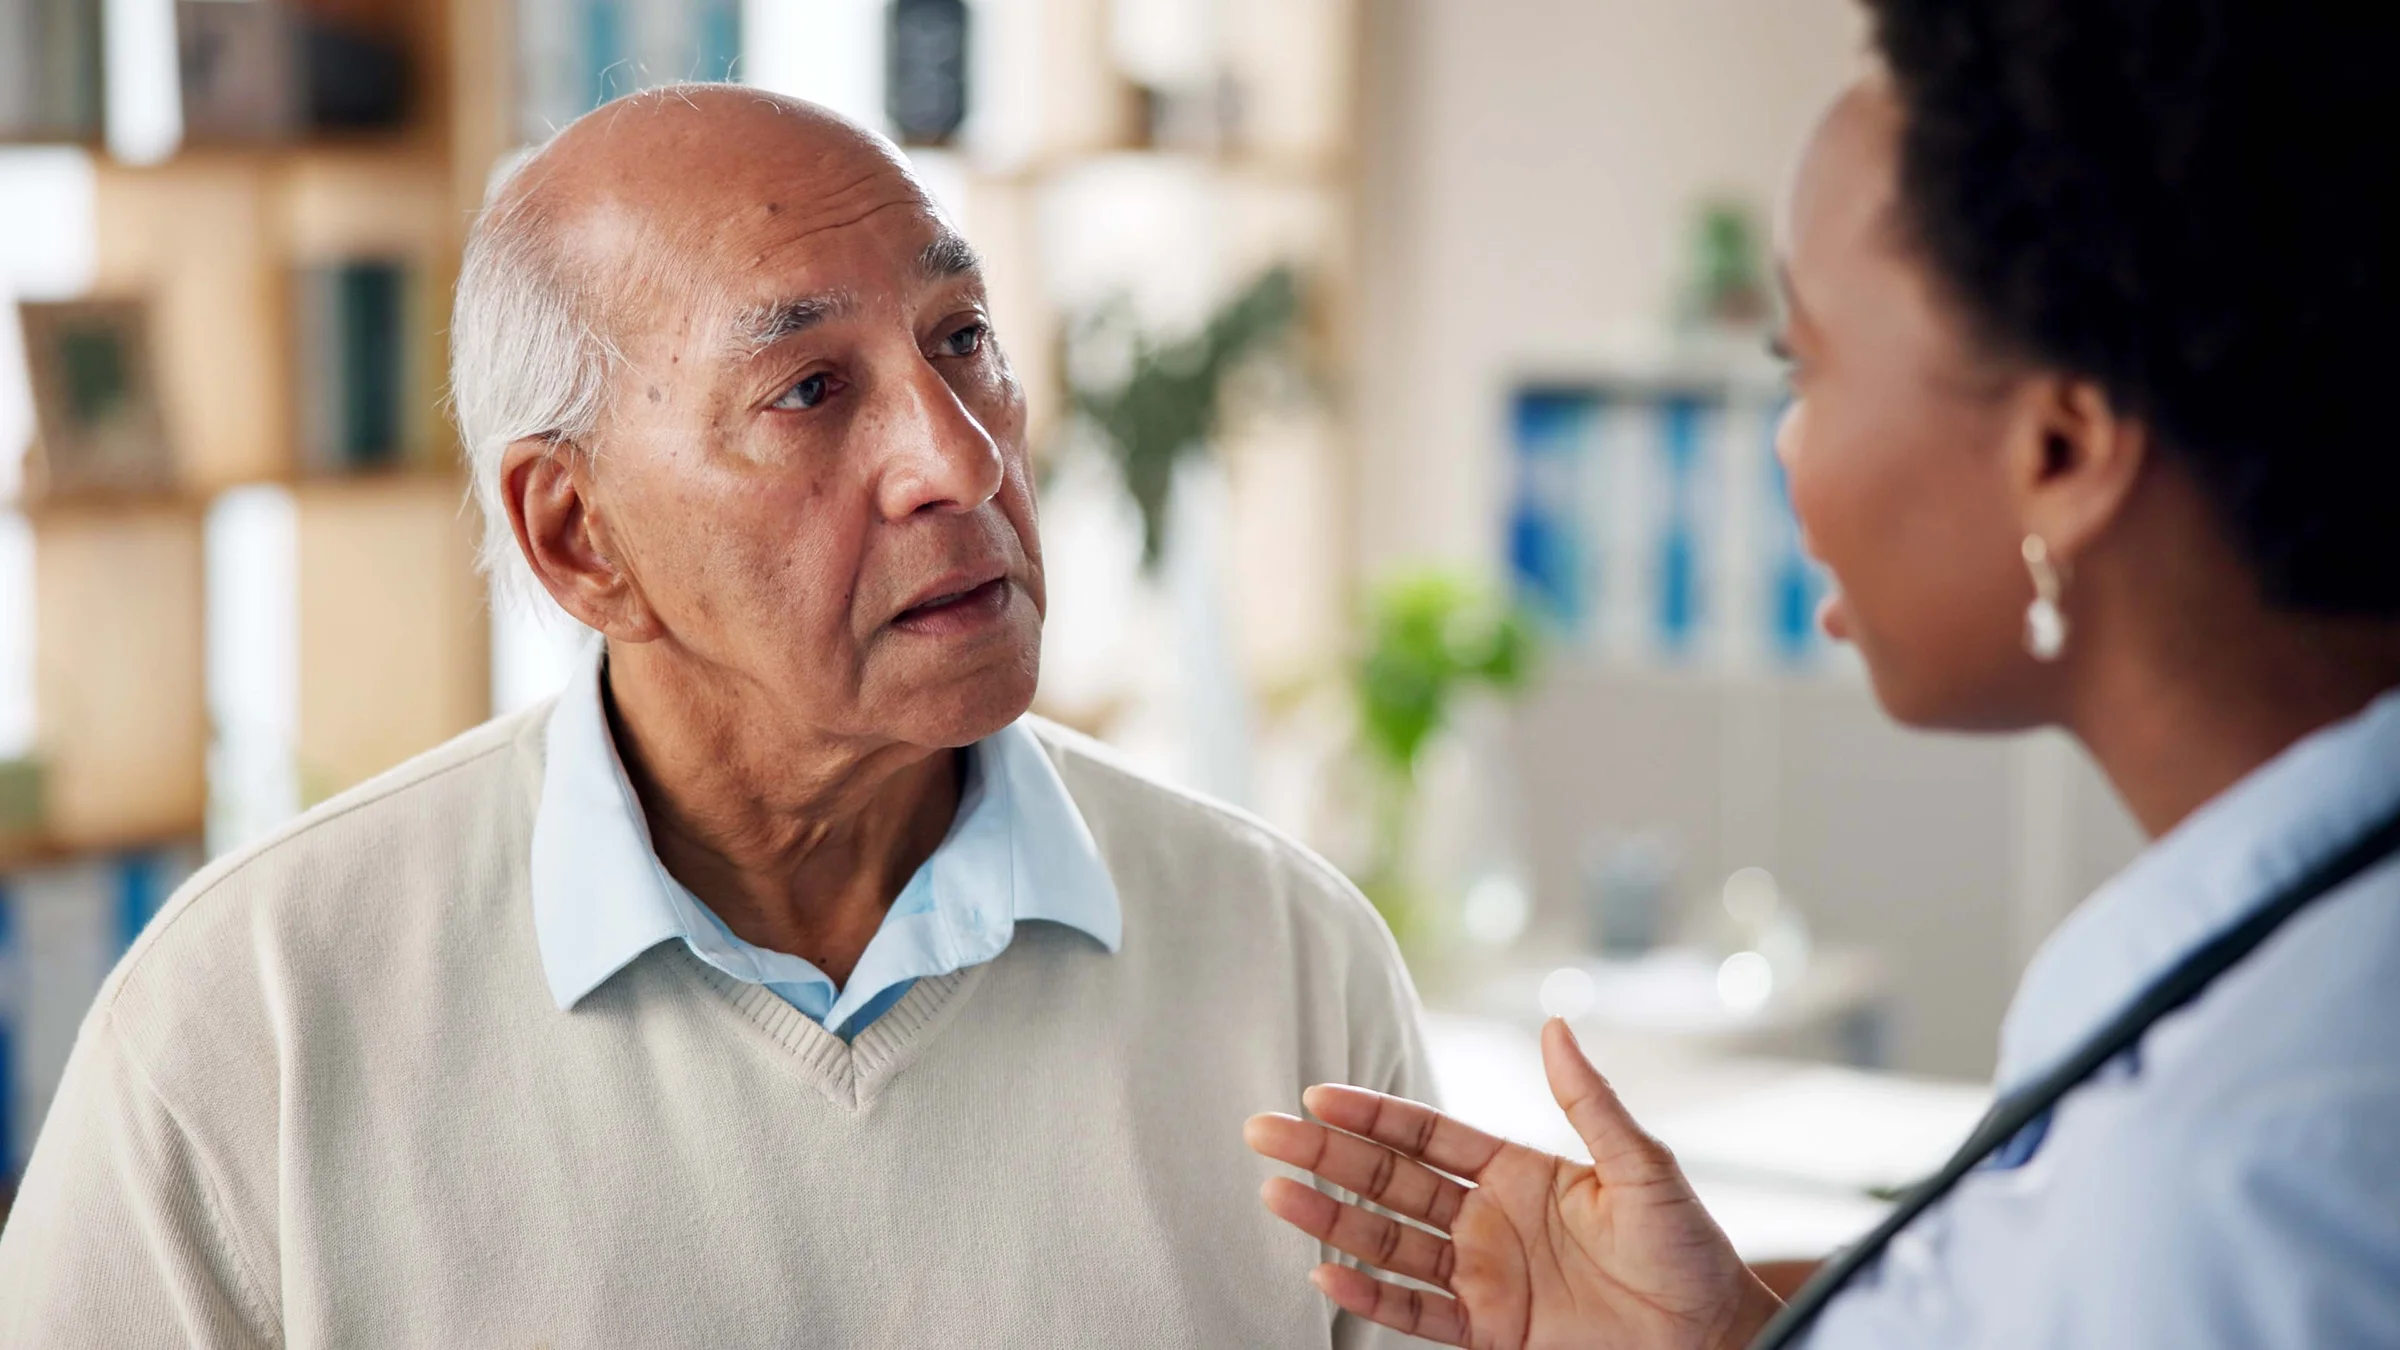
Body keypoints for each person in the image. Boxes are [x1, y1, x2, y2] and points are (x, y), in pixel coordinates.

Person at [0, 88, 1432, 1348]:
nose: (960, 453)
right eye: (810, 389)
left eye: (964, 338)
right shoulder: (251, 1018)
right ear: (578, 540)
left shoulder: (1288, 956)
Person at [1246, 0, 2400, 1345]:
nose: (1784, 449)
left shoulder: (2250, 1171)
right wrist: (1723, 1331)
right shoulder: (2266, 1005)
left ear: (2064, 452)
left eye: (1809, 366)